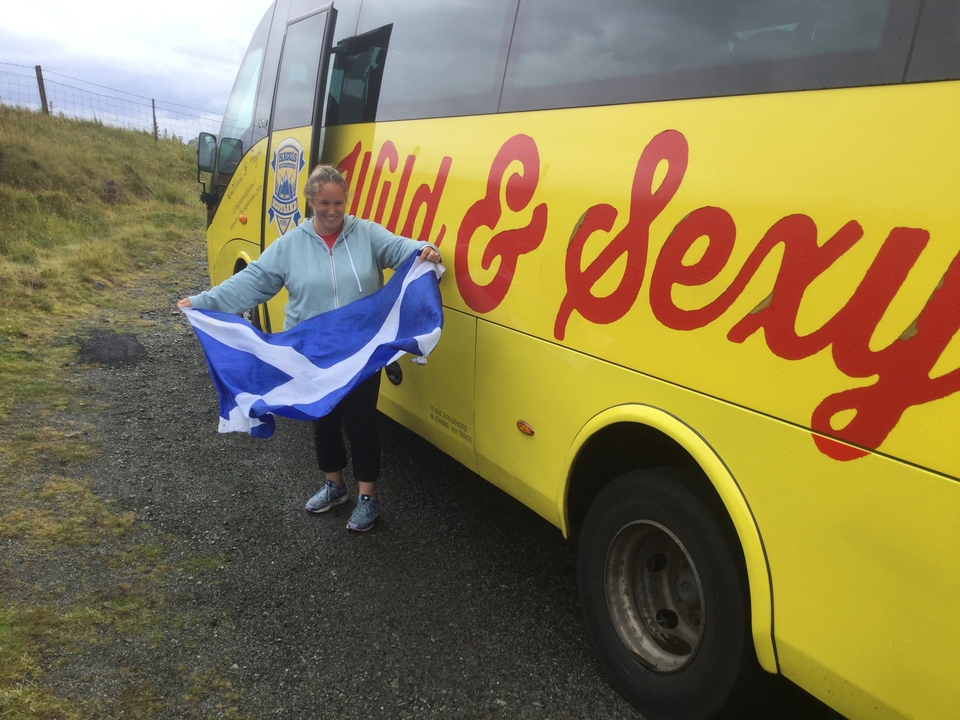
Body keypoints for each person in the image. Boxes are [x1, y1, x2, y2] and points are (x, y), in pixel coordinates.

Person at [178, 164, 441, 532]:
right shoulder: (290, 245)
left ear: (345, 201)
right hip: (310, 351)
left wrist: (423, 249)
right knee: (324, 421)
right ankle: (334, 486)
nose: (332, 211)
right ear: (310, 201)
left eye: (338, 203)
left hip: (359, 349)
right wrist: (203, 302)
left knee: (362, 423)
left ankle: (369, 496)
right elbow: (251, 283)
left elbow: (400, 248)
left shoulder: (365, 233)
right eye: (323, 204)